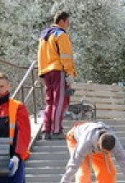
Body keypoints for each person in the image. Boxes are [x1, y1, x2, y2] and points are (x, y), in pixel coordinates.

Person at [38, 10, 77, 140]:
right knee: (60, 101)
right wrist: (69, 73)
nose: (69, 24)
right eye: (68, 22)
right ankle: (56, 131)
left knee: (50, 102)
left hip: (46, 71)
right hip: (58, 70)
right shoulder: (61, 35)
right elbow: (66, 56)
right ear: (62, 21)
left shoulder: (44, 36)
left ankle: (46, 130)